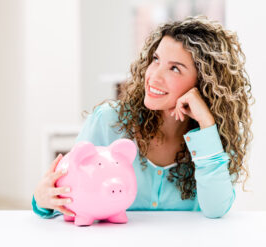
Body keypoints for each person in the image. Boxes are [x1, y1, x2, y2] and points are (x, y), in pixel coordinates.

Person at [32, 15, 254, 219]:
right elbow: (68, 195)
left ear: (203, 84)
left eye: (175, 69)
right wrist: (43, 201)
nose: (154, 76)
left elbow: (216, 210)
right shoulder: (109, 121)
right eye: (156, 59)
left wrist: (206, 125)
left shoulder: (214, 138)